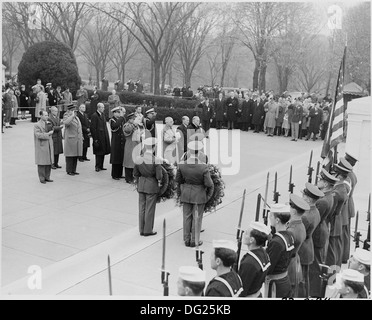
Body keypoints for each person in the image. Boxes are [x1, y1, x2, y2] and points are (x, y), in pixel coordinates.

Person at [176, 140, 213, 247]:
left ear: (189, 152)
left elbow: (178, 180)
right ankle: (194, 240)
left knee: (186, 216)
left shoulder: (182, 165)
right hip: (199, 194)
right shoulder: (203, 167)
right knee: (197, 217)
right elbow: (209, 183)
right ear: (199, 152)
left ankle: (186, 239)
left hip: (186, 193)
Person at [310, 169, 338, 297]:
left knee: (315, 265)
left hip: (317, 234)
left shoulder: (322, 201)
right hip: (323, 229)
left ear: (326, 184)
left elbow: (315, 218)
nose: (318, 182)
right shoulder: (329, 195)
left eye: (320, 180)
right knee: (317, 262)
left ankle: (315, 293)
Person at [297, 182, 323, 298]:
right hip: (308, 247)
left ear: (307, 199)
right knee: (305, 279)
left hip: (302, 250)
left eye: (303, 196)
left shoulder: (305, 216)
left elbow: (299, 234)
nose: (302, 198)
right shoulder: (315, 211)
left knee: (300, 280)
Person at [133, 138, 163, 236]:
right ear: (154, 148)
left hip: (141, 185)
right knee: (150, 208)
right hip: (151, 186)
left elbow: (135, 173)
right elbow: (159, 176)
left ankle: (141, 229)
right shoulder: (156, 160)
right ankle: (148, 230)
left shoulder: (138, 158)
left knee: (142, 208)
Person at [326, 158, 352, 267]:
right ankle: (335, 269)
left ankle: (332, 272)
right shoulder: (341, 188)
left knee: (331, 249)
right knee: (336, 246)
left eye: (335, 173)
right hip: (338, 219)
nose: (333, 175)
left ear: (340, 176)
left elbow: (331, 210)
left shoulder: (337, 192)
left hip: (333, 220)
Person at [265, 203, 295, 298]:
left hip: (276, 285)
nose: (269, 218)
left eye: (271, 216)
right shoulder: (290, 235)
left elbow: (269, 267)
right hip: (284, 280)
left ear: (277, 220)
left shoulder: (276, 242)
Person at [239, 221, 271, 298]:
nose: (243, 234)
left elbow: (242, 290)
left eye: (246, 233)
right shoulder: (263, 253)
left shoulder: (249, 263)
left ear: (251, 240)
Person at [287, 195, 308, 298]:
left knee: (289, 292)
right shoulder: (300, 225)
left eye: (291, 207)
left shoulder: (292, 230)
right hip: (295, 260)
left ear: (294, 212)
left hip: (289, 264)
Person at [342, 153, 358, 263]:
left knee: (344, 233)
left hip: (346, 205)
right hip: (349, 204)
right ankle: (344, 255)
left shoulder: (347, 176)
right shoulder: (352, 174)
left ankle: (343, 256)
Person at [34, 110, 54, 184]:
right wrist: (48, 134)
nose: (47, 117)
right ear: (41, 116)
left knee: (48, 161)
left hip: (48, 144)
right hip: (42, 145)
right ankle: (42, 178)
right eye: (45, 115)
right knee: (42, 163)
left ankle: (47, 177)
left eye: (47, 115)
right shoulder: (37, 125)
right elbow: (38, 135)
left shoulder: (48, 123)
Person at [63, 103, 83, 176]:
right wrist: (71, 116)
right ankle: (69, 170)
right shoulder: (67, 116)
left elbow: (79, 128)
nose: (75, 111)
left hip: (76, 139)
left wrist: (81, 136)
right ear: (69, 110)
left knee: (75, 155)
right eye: (73, 110)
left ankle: (73, 170)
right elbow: (66, 123)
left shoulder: (76, 117)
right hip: (70, 139)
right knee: (70, 156)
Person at [90, 102, 111, 172]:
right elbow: (93, 128)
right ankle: (97, 166)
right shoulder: (94, 115)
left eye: (103, 107)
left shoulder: (102, 115)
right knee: (98, 152)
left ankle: (101, 165)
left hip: (103, 136)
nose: (103, 109)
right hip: (98, 136)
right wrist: (95, 138)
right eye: (102, 107)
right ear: (98, 108)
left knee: (103, 151)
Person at [123, 112, 141, 183]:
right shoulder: (127, 125)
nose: (134, 120)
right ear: (130, 119)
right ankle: (128, 178)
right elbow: (127, 130)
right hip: (130, 145)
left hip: (135, 145)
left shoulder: (136, 125)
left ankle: (133, 177)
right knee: (128, 162)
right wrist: (134, 124)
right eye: (133, 119)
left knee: (134, 162)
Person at [109, 106, 126, 180]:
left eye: (120, 112)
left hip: (121, 141)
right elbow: (115, 126)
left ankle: (119, 173)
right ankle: (114, 174)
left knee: (120, 158)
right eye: (118, 112)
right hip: (116, 141)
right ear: (114, 113)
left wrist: (122, 117)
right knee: (115, 158)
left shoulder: (120, 119)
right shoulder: (112, 120)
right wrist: (121, 117)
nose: (119, 114)